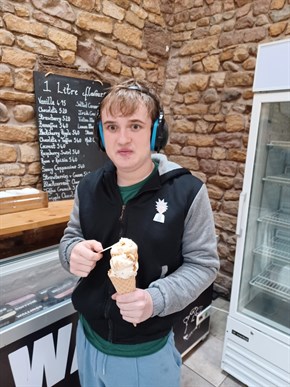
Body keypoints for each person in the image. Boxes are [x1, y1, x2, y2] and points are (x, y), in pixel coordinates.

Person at [59, 79, 219, 387]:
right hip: (87, 338)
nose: (122, 139)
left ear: (156, 133)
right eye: (112, 126)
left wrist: (155, 299)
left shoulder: (188, 192)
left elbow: (204, 264)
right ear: (100, 134)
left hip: (146, 354)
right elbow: (71, 236)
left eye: (135, 126)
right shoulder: (88, 187)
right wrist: (71, 252)